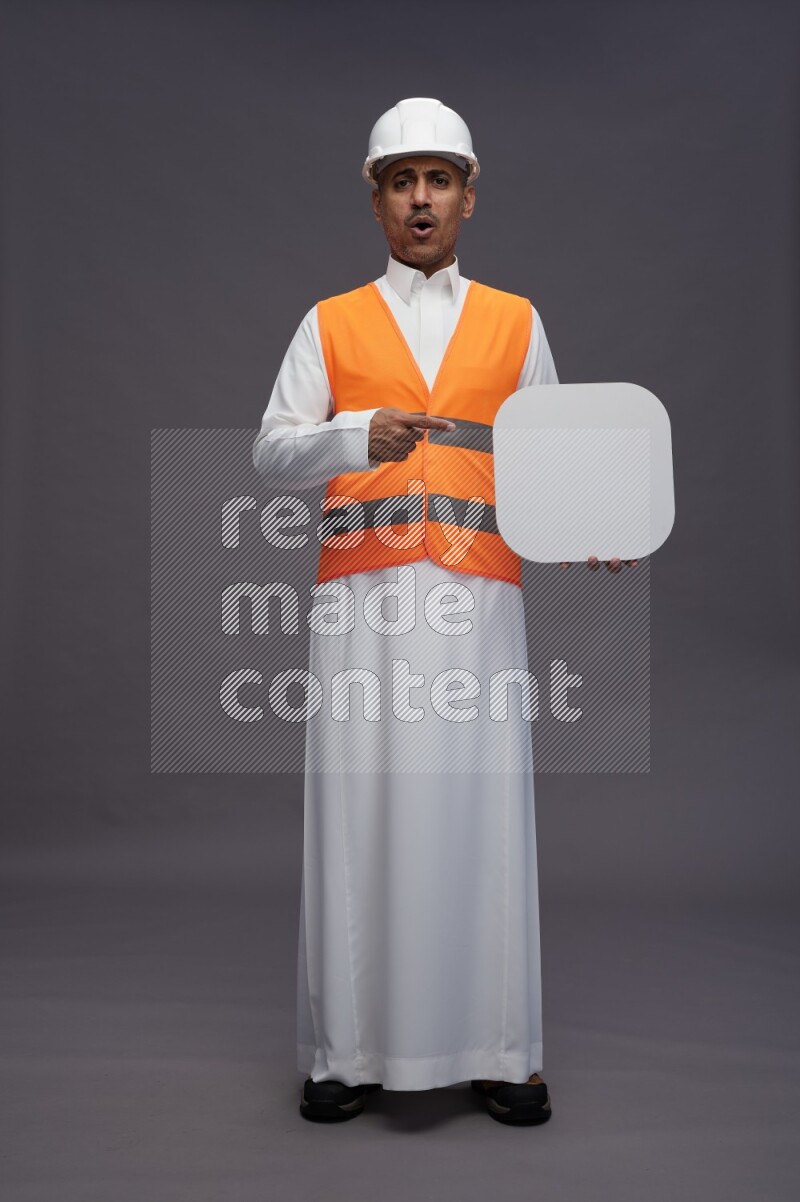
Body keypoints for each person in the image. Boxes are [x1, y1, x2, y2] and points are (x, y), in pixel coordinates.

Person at [252, 97, 635, 1127]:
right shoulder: (327, 322)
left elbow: (549, 453)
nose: (419, 198)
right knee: (356, 807)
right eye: (399, 180)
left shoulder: (516, 319)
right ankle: (346, 1051)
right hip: (363, 603)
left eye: (437, 179)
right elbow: (269, 451)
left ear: (468, 193)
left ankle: (500, 1050)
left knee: (481, 811)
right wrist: (350, 437)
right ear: (374, 198)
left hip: (475, 603)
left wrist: (590, 521)